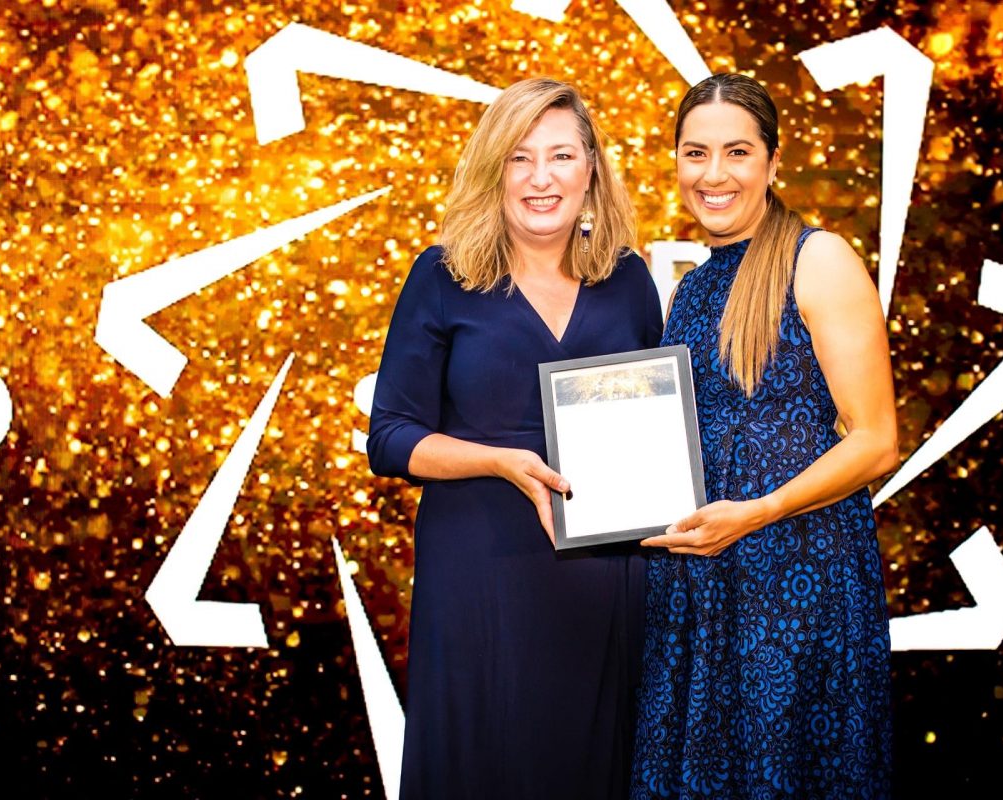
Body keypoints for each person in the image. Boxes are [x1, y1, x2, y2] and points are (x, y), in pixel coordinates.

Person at [367, 78, 663, 799]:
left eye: (561, 156)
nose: (541, 178)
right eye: (519, 158)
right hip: (480, 573)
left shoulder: (628, 279)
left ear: (592, 168)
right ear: (492, 169)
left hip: (602, 580)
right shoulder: (442, 276)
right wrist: (499, 461)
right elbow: (390, 437)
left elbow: (656, 424)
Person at [631, 73, 897, 798]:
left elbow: (876, 440)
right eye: (695, 153)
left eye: (737, 153)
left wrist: (761, 511)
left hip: (796, 584)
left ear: (773, 164)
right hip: (701, 588)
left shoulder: (821, 259)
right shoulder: (689, 290)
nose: (713, 175)